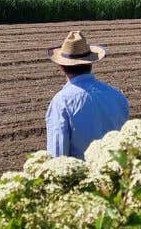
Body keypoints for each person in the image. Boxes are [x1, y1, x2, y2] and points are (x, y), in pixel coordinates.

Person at [45, 30, 129, 159]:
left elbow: (58, 156)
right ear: (90, 63)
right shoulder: (117, 96)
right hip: (117, 174)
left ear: (61, 66)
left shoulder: (61, 102)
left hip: (83, 176)